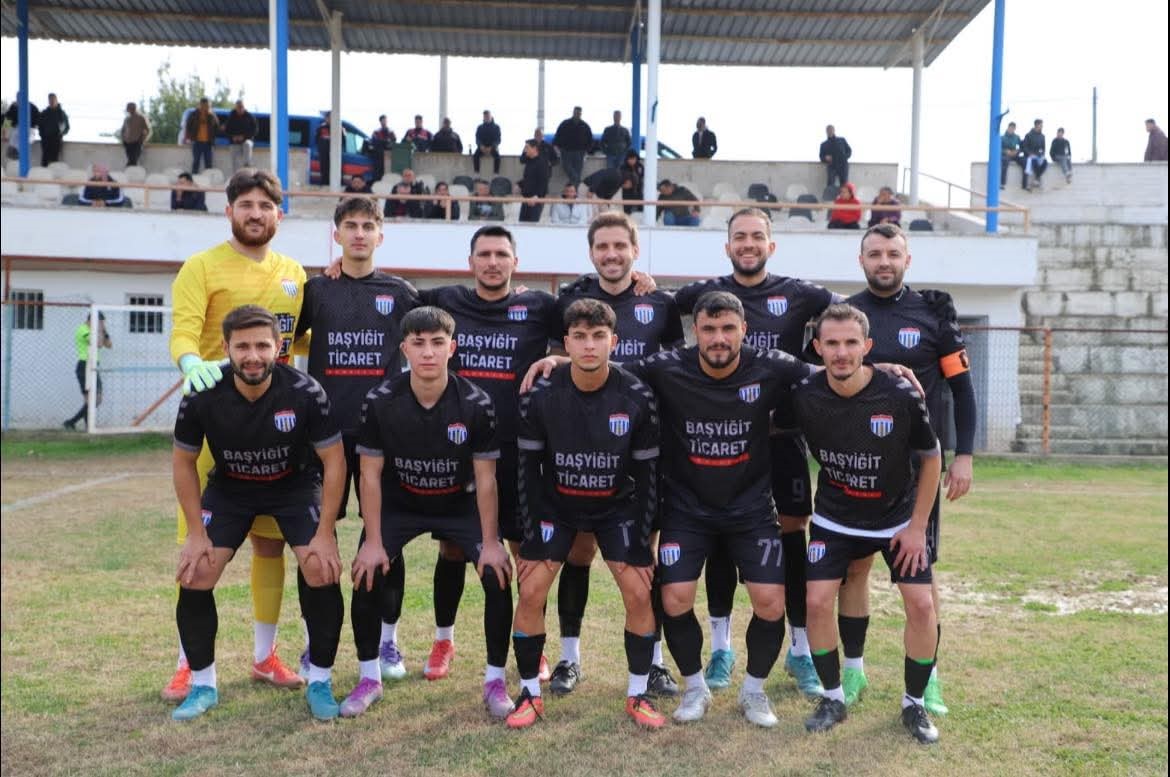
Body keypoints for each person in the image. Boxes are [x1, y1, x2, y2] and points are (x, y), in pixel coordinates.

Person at [527, 291, 819, 727]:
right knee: (675, 598)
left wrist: (884, 369)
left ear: (744, 330)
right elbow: (608, 368)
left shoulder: (771, 365)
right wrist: (561, 362)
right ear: (694, 331)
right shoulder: (667, 367)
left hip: (750, 509)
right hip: (686, 508)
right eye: (708, 329)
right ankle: (695, 687)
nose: (718, 338)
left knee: (771, 603)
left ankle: (754, 691)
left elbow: (833, 372)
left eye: (728, 329)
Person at [672, 208, 841, 702]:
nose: (748, 244)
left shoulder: (801, 293)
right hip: (721, 438)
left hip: (781, 437)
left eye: (757, 236)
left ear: (771, 244)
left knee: (791, 537)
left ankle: (800, 649)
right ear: (727, 246)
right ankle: (721, 647)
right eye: (739, 237)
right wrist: (641, 281)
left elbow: (848, 318)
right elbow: (653, 306)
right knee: (720, 540)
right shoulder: (703, 295)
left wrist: (873, 363)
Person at [163, 168, 309, 704]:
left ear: (278, 215)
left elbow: (303, 336)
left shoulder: (294, 273)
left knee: (271, 543)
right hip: (214, 424)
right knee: (197, 549)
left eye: (265, 206)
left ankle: (265, 656)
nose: (255, 213)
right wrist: (189, 362)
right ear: (229, 211)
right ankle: (187, 665)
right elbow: (183, 330)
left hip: (275, 427)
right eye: (245, 204)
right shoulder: (201, 266)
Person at [170, 304, 346, 722]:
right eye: (243, 346)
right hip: (231, 489)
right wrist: (196, 533)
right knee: (196, 573)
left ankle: (320, 680)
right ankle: (203, 685)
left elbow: (335, 461)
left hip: (294, 486)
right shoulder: (203, 394)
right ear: (226, 348)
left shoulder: (305, 391)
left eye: (262, 346)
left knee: (320, 568)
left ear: (279, 346)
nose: (253, 356)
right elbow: (182, 462)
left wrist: (325, 533)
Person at [828, 223, 975, 717]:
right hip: (856, 467)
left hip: (916, 471)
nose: (884, 262)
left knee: (921, 578)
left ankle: (928, 679)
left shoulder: (932, 313)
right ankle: (853, 670)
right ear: (861, 260)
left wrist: (964, 454)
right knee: (854, 570)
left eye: (893, 253)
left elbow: (962, 389)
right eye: (875, 254)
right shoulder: (845, 316)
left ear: (906, 260)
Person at [410, 226, 560, 697]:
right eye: (484, 254)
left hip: (518, 450)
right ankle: (443, 641)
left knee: (521, 553)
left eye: (501, 254)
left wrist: (556, 360)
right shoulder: (446, 300)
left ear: (516, 261)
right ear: (470, 261)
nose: (493, 262)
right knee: (452, 549)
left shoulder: (539, 306)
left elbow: (587, 323)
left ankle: (533, 645)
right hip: (457, 449)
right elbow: (388, 296)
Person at [506, 298, 665, 730]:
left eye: (598, 336)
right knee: (531, 589)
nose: (589, 345)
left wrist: (642, 541)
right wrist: (531, 537)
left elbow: (648, 476)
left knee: (639, 591)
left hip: (616, 507)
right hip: (557, 506)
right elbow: (527, 472)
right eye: (579, 337)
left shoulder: (637, 396)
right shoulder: (541, 395)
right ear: (566, 343)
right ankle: (529, 694)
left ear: (614, 341)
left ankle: (638, 694)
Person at [295, 197, 426, 716]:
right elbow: (281, 337)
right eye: (349, 225)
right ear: (336, 234)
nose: (358, 233)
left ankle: (388, 641)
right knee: (314, 539)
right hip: (324, 436)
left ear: (380, 235)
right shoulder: (316, 290)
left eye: (367, 225)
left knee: (384, 540)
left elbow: (442, 324)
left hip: (382, 436)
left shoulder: (401, 293)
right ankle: (314, 642)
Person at [352, 305, 516, 720]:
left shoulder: (476, 402)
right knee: (366, 571)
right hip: (402, 502)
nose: (428, 352)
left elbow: (486, 479)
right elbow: (369, 475)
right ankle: (369, 678)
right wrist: (373, 541)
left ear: (452, 348)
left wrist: (491, 542)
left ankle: (495, 681)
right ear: (404, 348)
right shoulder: (380, 400)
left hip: (458, 503)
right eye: (419, 343)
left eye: (438, 343)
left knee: (497, 573)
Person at [547, 211, 685, 698]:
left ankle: (655, 664)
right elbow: (557, 361)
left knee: (644, 557)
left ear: (635, 250)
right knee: (578, 552)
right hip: (585, 446)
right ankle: (569, 658)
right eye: (602, 246)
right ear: (591, 252)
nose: (611, 254)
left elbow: (676, 365)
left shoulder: (659, 302)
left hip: (643, 447)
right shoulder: (571, 300)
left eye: (619, 246)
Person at [794, 303, 943, 745]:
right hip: (835, 516)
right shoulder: (803, 393)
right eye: (832, 343)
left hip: (895, 518)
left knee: (921, 605)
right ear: (817, 348)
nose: (841, 352)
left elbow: (932, 457)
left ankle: (914, 703)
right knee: (816, 601)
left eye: (851, 343)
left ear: (868, 346)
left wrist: (916, 528)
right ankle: (833, 697)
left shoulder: (898, 393)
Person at [63, 311, 111, 430]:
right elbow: (98, 344)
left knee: (97, 399)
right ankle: (84, 425)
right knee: (91, 399)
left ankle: (73, 423)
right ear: (92, 320)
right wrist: (100, 331)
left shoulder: (97, 331)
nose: (101, 325)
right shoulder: (83, 329)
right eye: (100, 322)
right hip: (84, 365)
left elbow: (109, 345)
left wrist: (104, 332)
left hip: (94, 366)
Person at [554, 106, 593, 185]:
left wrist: (587, 150)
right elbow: (557, 136)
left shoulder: (585, 125)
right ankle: (577, 181)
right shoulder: (565, 123)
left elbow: (590, 139)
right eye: (576, 113)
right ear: (573, 112)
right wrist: (557, 147)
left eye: (579, 113)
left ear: (581, 114)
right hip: (566, 152)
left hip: (579, 153)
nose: (577, 114)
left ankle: (575, 190)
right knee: (568, 169)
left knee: (577, 172)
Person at [184, 97, 220, 174]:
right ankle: (193, 178)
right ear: (200, 105)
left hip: (208, 143)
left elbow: (217, 127)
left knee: (208, 163)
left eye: (207, 106)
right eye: (203, 105)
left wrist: (212, 116)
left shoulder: (212, 115)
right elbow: (188, 126)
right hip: (197, 142)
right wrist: (187, 138)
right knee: (196, 162)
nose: (205, 107)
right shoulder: (193, 114)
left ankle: (209, 178)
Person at [518, 138, 550, 222]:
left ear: (534, 148)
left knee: (532, 225)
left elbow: (543, 181)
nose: (525, 150)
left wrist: (537, 196)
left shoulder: (542, 163)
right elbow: (528, 177)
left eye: (527, 147)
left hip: (535, 199)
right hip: (526, 198)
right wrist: (519, 184)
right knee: (522, 223)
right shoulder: (529, 161)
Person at [223, 100, 257, 173]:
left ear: (244, 107)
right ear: (235, 108)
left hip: (247, 140)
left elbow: (255, 130)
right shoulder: (231, 117)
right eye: (238, 107)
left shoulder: (250, 116)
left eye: (242, 107)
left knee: (247, 145)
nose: (240, 109)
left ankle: (246, 166)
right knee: (234, 155)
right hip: (234, 142)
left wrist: (244, 137)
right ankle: (235, 174)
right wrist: (232, 137)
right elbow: (226, 130)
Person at [36, 92, 68, 166]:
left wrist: (61, 134)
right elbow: (39, 125)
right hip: (45, 140)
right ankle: (43, 173)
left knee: (55, 160)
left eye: (53, 99)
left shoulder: (61, 113)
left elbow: (66, 127)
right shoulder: (44, 113)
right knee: (45, 160)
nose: (52, 101)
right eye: (50, 100)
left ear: (56, 100)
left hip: (56, 140)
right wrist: (42, 135)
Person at [4, 94, 39, 162]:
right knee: (13, 140)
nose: (19, 100)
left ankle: (20, 155)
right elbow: (8, 118)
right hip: (17, 128)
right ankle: (12, 155)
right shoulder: (14, 106)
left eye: (21, 98)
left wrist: (35, 125)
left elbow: (38, 119)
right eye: (18, 98)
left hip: (29, 129)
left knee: (25, 140)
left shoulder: (32, 107)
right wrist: (4, 131)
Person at [315, 111, 344, 188]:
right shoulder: (321, 128)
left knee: (336, 173)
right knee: (325, 172)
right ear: (326, 118)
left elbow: (343, 142)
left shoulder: (340, 128)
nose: (330, 119)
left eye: (332, 117)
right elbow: (317, 141)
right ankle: (324, 187)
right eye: (329, 117)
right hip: (324, 156)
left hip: (336, 156)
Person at [819, 125, 852, 190]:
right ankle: (830, 196)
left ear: (834, 130)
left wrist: (844, 157)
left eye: (831, 130)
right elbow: (821, 157)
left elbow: (849, 150)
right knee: (830, 185)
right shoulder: (824, 144)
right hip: (832, 167)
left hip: (843, 166)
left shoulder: (842, 140)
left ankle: (843, 196)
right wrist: (825, 158)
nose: (830, 131)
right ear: (826, 132)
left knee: (844, 185)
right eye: (828, 130)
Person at [120, 102, 151, 166]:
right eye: (128, 108)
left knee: (133, 161)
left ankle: (130, 170)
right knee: (131, 160)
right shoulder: (127, 119)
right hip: (127, 143)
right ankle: (130, 169)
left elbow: (147, 130)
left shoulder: (141, 118)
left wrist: (143, 140)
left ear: (134, 108)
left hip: (137, 143)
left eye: (130, 108)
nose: (128, 110)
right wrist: (123, 139)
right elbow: (123, 130)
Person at [1021, 119, 1047, 190]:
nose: (1042, 127)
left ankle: (1037, 178)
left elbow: (1043, 148)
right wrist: (1030, 154)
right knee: (1033, 162)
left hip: (1039, 156)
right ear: (1036, 125)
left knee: (1044, 162)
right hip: (1030, 156)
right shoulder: (1028, 135)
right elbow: (1024, 147)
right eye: (1041, 125)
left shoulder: (1042, 136)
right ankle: (1031, 182)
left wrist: (1042, 155)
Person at [369, 114, 397, 180]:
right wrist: (385, 141)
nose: (384, 122)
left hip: (388, 155)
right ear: (380, 121)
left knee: (387, 171)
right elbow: (374, 142)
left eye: (385, 120)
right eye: (383, 120)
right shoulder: (376, 131)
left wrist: (383, 141)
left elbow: (393, 141)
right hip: (378, 155)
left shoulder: (391, 131)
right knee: (377, 172)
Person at [474, 110, 502, 175]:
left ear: (491, 116)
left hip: (493, 147)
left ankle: (496, 173)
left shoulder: (496, 127)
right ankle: (476, 172)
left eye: (487, 116)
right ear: (483, 117)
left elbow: (498, 139)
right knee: (475, 156)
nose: (486, 117)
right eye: (485, 116)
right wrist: (480, 145)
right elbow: (477, 138)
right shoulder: (480, 127)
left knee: (497, 157)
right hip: (482, 147)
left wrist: (492, 147)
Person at [1000, 121, 1024, 189]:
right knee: (1005, 162)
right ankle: (1002, 183)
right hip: (1006, 156)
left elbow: (1022, 147)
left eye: (1013, 128)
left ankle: (1024, 184)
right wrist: (1005, 151)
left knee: (1024, 161)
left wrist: (1017, 151)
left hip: (1014, 155)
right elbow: (998, 149)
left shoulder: (1017, 137)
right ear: (1008, 128)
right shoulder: (1002, 138)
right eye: (1010, 128)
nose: (1011, 129)